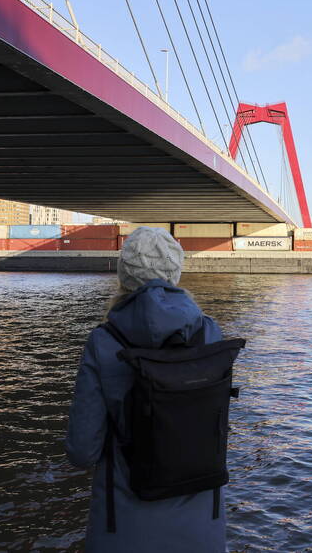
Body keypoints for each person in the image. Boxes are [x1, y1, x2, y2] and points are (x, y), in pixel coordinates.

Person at [66, 226, 226, 552]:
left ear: (124, 274)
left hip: (122, 531)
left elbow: (82, 452)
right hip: (203, 532)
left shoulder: (105, 341)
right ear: (175, 272)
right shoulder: (210, 334)